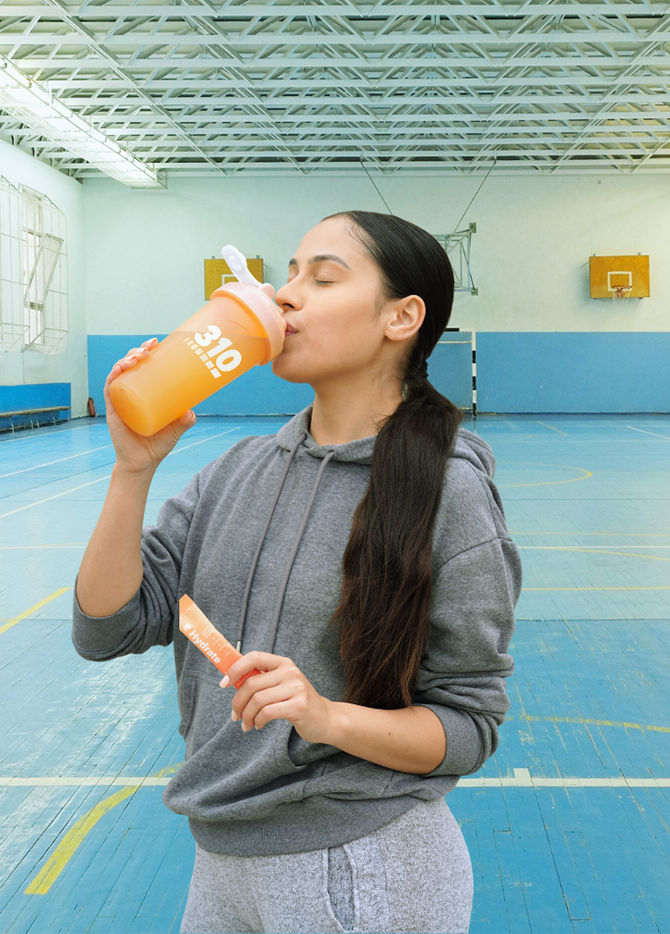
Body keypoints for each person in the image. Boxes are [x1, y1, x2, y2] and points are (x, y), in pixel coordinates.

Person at [73, 210, 521, 933]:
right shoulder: (236, 471)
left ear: (402, 317)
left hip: (366, 871)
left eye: (322, 277)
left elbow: (467, 724)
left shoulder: (449, 492)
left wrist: (326, 717)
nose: (285, 296)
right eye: (288, 274)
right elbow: (106, 627)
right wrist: (132, 471)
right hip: (221, 864)